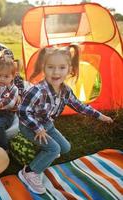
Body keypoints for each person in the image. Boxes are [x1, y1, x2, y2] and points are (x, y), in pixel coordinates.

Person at [18, 44, 113, 194]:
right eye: (51, 67)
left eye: (62, 68)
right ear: (44, 67)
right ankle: (29, 172)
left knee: (65, 148)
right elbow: (22, 111)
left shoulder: (65, 91)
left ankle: (46, 152)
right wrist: (37, 128)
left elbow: (80, 106)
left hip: (47, 125)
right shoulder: (37, 91)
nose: (56, 72)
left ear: (69, 69)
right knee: (54, 148)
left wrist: (100, 116)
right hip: (30, 126)